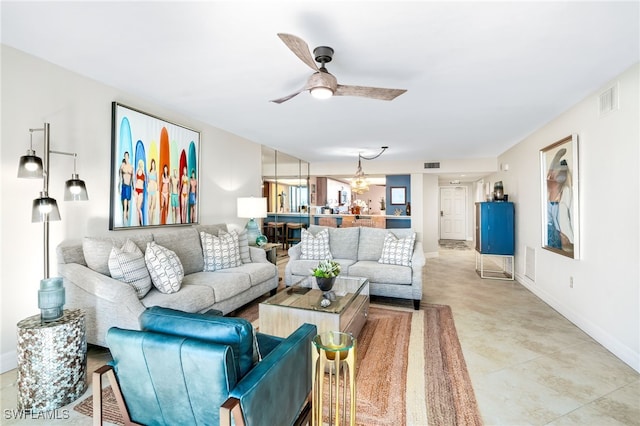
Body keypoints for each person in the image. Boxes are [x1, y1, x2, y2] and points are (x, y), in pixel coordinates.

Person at [546, 148, 574, 252]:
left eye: (552, 176)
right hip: (556, 241)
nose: (548, 179)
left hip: (567, 244)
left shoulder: (567, 194)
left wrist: (568, 240)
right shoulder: (550, 198)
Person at [119, 152, 133, 225]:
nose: (126, 157)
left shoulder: (131, 167)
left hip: (129, 186)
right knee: (124, 205)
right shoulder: (122, 166)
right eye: (125, 156)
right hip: (124, 186)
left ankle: (127, 221)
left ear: (128, 157)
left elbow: (132, 179)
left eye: (127, 156)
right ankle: (124, 223)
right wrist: (118, 187)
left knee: (127, 205)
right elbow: (120, 178)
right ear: (124, 157)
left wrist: (134, 189)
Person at [135, 159, 145, 226]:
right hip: (136, 190)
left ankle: (142, 223)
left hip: (141, 191)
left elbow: (145, 183)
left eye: (141, 164)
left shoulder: (144, 173)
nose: (140, 165)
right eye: (139, 164)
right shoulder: (137, 171)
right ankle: (138, 224)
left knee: (139, 208)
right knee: (137, 209)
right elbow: (135, 181)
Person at [147, 159, 158, 225]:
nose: (153, 165)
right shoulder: (149, 172)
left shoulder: (156, 172)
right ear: (151, 164)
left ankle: (152, 223)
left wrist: (156, 190)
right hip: (150, 190)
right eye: (152, 163)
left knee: (153, 207)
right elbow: (148, 182)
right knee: (150, 206)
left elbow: (156, 182)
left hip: (154, 190)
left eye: (154, 164)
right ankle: (150, 222)